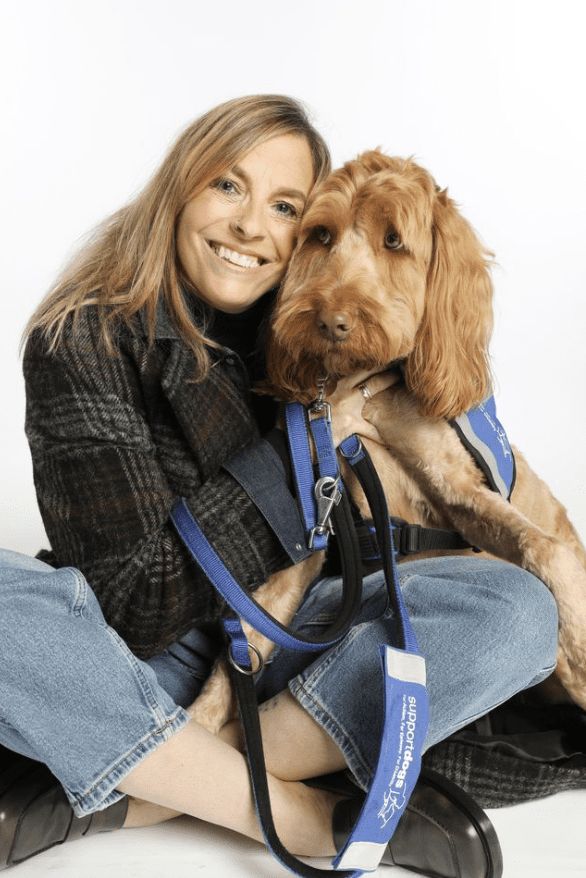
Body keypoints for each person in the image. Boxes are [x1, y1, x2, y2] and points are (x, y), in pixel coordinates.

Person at [0, 95, 558, 877]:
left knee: (520, 610)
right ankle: (295, 813)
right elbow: (133, 604)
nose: (249, 226)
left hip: (301, 652)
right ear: (179, 192)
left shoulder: (316, 327)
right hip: (138, 659)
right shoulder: (83, 339)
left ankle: (150, 784)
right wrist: (308, 450)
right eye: (228, 186)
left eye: (285, 206)